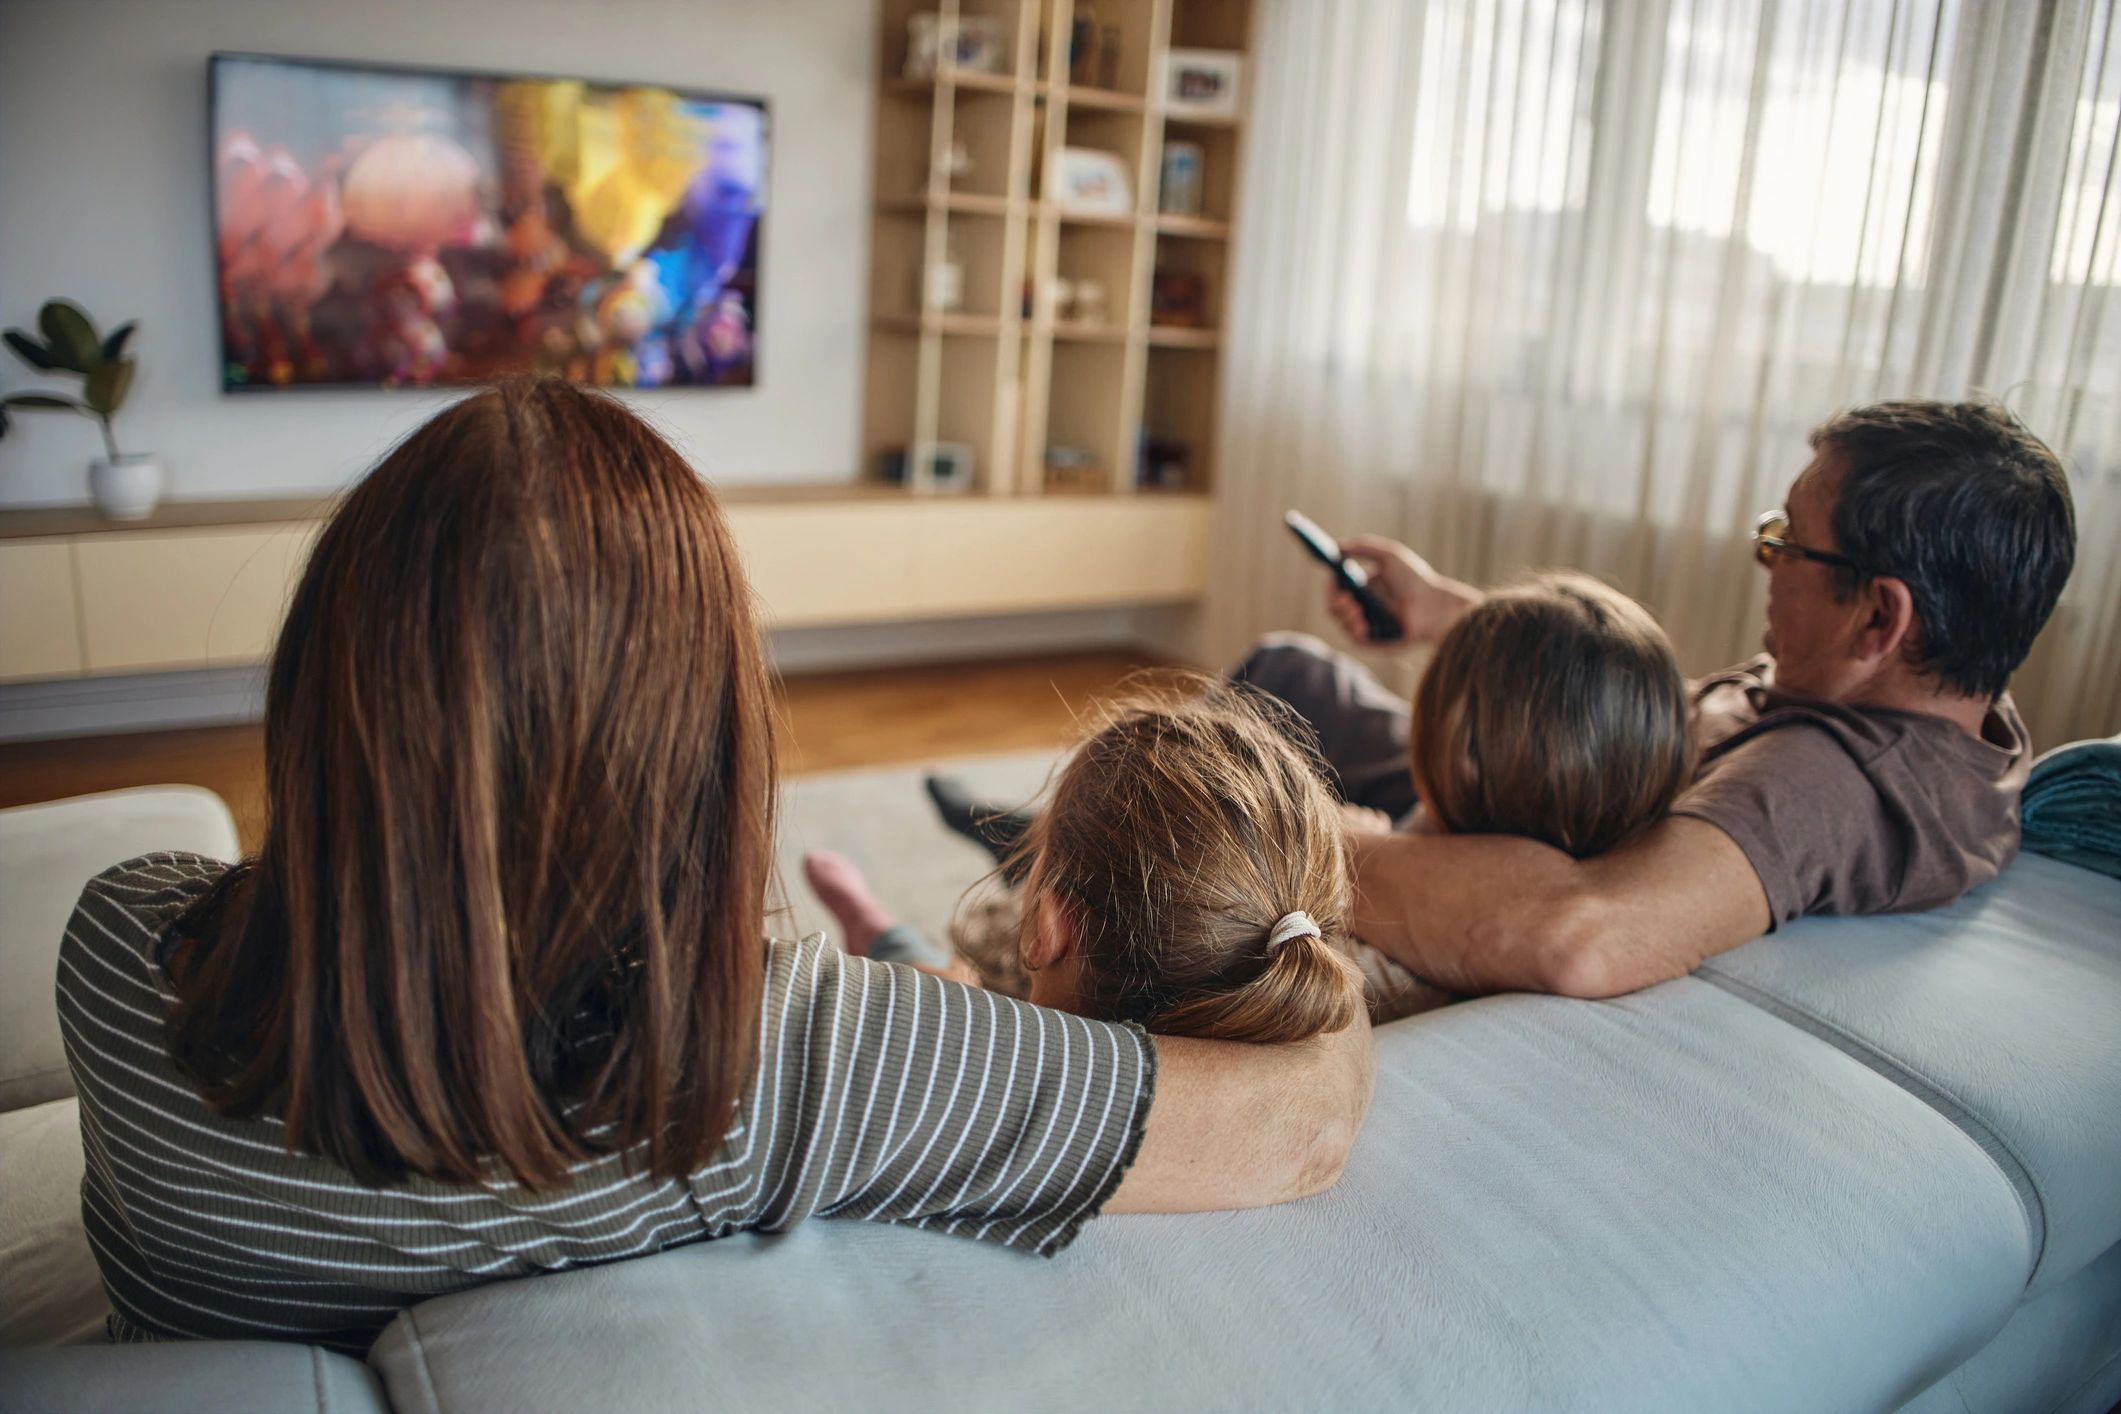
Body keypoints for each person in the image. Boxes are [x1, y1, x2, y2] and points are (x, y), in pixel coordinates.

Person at [55, 379, 1373, 1355]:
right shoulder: (769, 1055)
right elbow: (1303, 1119)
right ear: (701, 751)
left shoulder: (119, 956)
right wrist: (1316, 883)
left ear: (324, 684)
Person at [1297, 398, 2075, 998]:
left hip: (1511, 803)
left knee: (1282, 692)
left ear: (1878, 615)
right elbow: (1660, 714)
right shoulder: (1940, 704)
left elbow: (1581, 936)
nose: (1764, 560)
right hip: (1549, 767)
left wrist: (1299, 830)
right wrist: (1452, 616)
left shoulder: (1822, 786)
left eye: (1787, 542)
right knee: (1297, 672)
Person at [805, 685, 1368, 1042]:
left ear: (1043, 931)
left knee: (913, 964)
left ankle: (871, 924)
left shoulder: (971, 1045)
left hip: (962, 993)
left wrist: (945, 991)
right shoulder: (1298, 1024)